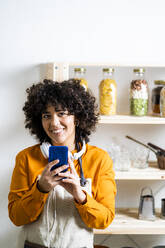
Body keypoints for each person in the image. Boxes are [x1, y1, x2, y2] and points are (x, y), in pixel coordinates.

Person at [8, 79, 116, 248]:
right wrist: (40, 188)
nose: (54, 123)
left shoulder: (99, 160)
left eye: (61, 113)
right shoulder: (26, 158)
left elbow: (104, 220)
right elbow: (16, 217)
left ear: (77, 118)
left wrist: (79, 195)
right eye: (46, 116)